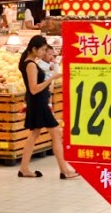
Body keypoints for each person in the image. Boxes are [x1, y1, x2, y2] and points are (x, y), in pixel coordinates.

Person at [17, 35, 78, 180]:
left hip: (36, 103)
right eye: (42, 49)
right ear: (34, 49)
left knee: (34, 135)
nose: (44, 52)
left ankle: (24, 168)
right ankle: (64, 170)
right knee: (55, 134)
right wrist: (51, 78)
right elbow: (34, 88)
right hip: (38, 103)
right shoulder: (31, 64)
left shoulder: (29, 62)